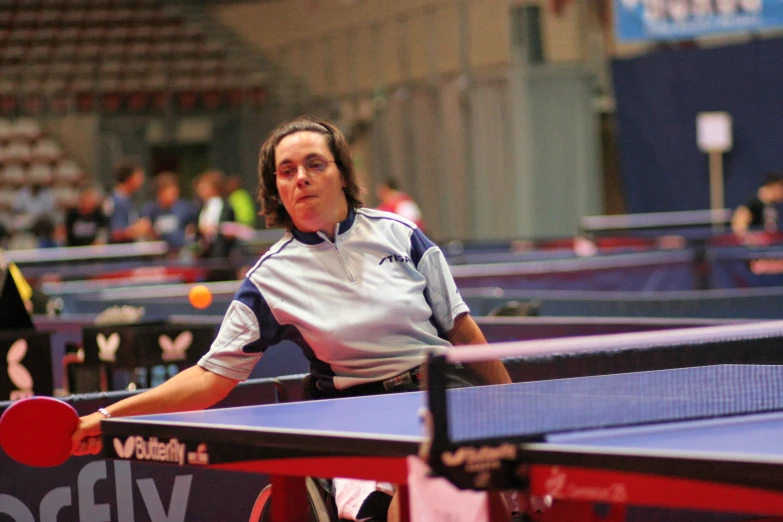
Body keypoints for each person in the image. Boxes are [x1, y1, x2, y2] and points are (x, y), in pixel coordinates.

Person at [71, 117, 511, 522]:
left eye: (315, 164)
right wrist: (109, 415)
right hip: (359, 411)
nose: (300, 177)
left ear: (341, 173)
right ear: (277, 188)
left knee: (449, 491)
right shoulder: (270, 278)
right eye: (286, 171)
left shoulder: (400, 234)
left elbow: (461, 330)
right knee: (400, 507)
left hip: (442, 394)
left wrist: (517, 413)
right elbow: (210, 376)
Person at [140, 172, 198, 255]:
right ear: (160, 193)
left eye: (175, 193)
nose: (173, 196)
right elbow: (144, 230)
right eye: (170, 193)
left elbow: (195, 226)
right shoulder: (150, 210)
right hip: (158, 253)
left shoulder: (185, 208)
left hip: (180, 252)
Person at [103, 159, 153, 243]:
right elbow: (116, 233)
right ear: (129, 178)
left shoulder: (126, 200)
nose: (141, 181)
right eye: (138, 177)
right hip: (119, 253)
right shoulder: (117, 201)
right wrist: (138, 229)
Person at [193, 170, 237, 259]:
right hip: (206, 254)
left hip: (222, 254)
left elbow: (230, 228)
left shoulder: (225, 206)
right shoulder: (202, 207)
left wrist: (216, 228)